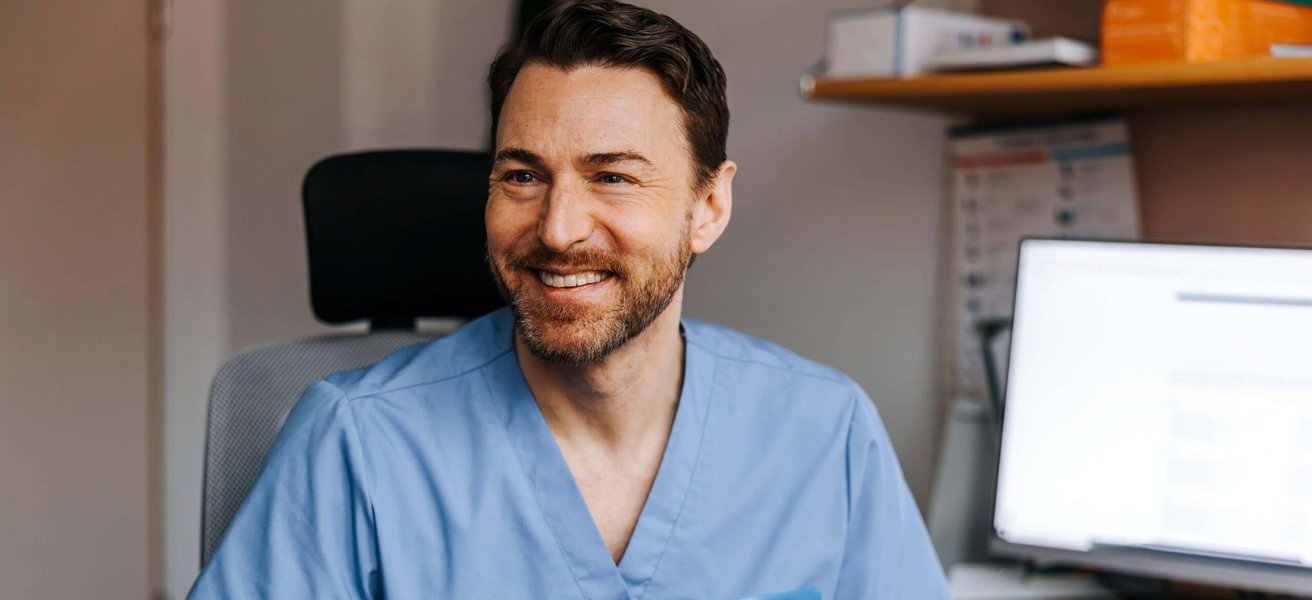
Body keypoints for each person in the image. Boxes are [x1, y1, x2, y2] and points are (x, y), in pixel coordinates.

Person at [188, 1, 949, 598]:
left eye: (612, 176)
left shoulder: (824, 434)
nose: (557, 230)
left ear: (708, 208)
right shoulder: (359, 443)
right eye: (522, 175)